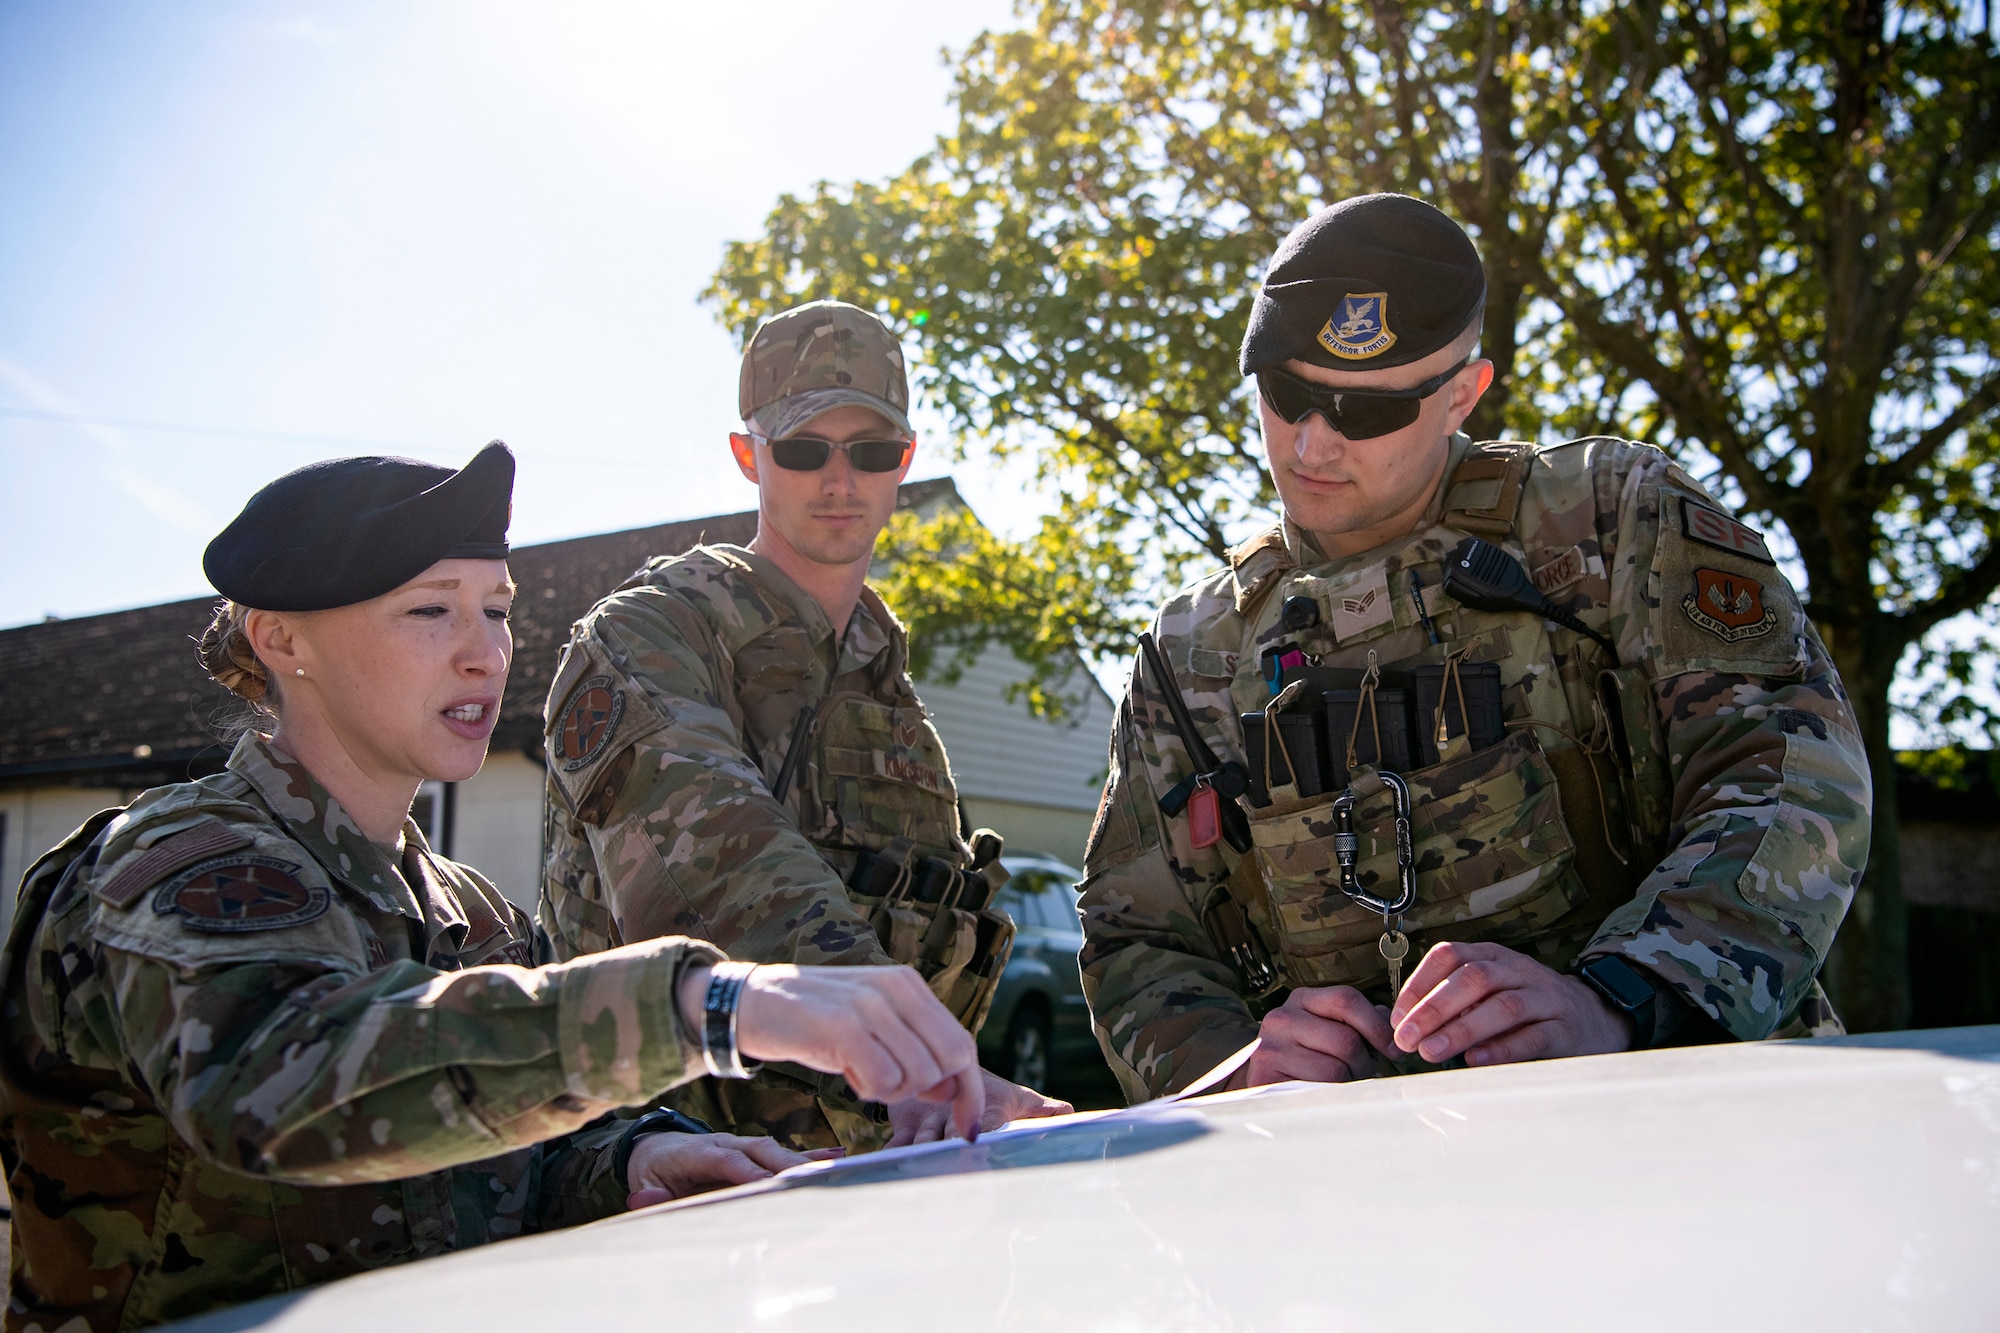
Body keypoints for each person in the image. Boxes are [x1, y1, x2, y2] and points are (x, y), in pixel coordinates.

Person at [0, 444, 986, 1333]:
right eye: (431, 609)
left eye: (499, 611)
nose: (485, 652)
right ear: (282, 641)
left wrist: (628, 1160)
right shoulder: (179, 859)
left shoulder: (464, 910)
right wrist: (707, 1001)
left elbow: (494, 1160)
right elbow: (279, 1081)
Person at [1079, 194, 1870, 1101]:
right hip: (1361, 1190)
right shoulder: (1194, 652)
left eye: (1363, 412)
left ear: (1463, 392)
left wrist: (1616, 1000)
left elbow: (1792, 771)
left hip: (1681, 1115)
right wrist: (1236, 1066)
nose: (1309, 443)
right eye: (1285, 395)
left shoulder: (1609, 521)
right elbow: (1134, 936)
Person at [539, 300, 1069, 1151]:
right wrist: (910, 1057)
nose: (839, 478)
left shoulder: (885, 689)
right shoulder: (652, 635)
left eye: (870, 451)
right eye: (802, 448)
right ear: (749, 456)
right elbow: (718, 856)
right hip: (657, 1175)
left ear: (905, 463)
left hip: (853, 1184)